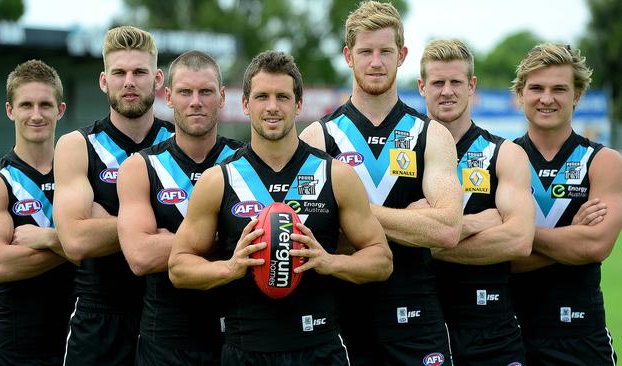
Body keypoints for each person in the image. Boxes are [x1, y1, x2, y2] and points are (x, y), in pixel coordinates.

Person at [168, 50, 392, 366]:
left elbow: (381, 260)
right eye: (262, 97)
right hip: (245, 351)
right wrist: (229, 267)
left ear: (298, 105)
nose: (272, 107)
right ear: (245, 104)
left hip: (319, 349)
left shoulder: (335, 174)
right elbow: (178, 267)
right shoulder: (219, 179)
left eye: (282, 97)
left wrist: (331, 262)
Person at [299, 1, 463, 365]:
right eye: (366, 52)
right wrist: (411, 218)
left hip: (416, 317)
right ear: (348, 56)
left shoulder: (432, 134)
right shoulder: (317, 137)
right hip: (339, 316)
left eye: (386, 51)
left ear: (402, 55)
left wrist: (353, 215)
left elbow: (448, 229)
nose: (376, 62)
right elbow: (312, 233)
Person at [52, 26, 174, 365]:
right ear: (104, 81)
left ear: (158, 79)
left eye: (139, 72)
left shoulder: (182, 145)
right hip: (98, 318)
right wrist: (157, 228)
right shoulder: (77, 146)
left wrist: (104, 220)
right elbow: (75, 239)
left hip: (170, 315)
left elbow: (211, 231)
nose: (129, 81)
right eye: (119, 73)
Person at [117, 50, 244, 365]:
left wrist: (168, 240)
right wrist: (227, 240)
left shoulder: (246, 162)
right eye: (186, 92)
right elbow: (140, 256)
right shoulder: (140, 166)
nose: (196, 101)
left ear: (222, 96)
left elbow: (267, 245)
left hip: (237, 337)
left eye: (206, 92)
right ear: (170, 97)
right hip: (165, 342)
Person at [417, 38, 534, 365]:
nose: (447, 91)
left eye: (456, 82)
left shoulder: (504, 154)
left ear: (472, 86)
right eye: (437, 82)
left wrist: (429, 236)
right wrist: (476, 222)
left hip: (491, 329)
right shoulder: (406, 155)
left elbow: (520, 239)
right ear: (422, 87)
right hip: (419, 326)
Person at [509, 43, 621, 365]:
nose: (547, 98)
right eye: (536, 88)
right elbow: (494, 257)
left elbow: (595, 246)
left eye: (559, 88)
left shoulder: (604, 161)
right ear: (520, 94)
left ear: (577, 95)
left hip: (582, 335)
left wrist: (517, 236)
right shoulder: (499, 158)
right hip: (509, 333)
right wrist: (571, 234)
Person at [0, 59, 75, 365]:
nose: (36, 114)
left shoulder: (81, 173)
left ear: (60, 110)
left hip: (79, 344)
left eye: (45, 104)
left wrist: (51, 239)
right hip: (16, 348)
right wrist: (78, 245)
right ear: (10, 110)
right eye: (26, 104)